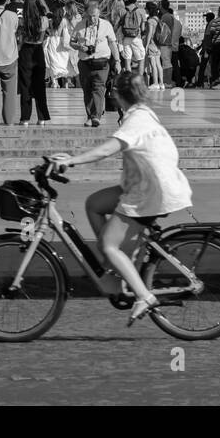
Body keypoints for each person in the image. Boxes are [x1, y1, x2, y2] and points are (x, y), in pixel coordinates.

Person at [50, 72, 193, 324]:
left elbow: (108, 149)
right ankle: (115, 265)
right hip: (149, 185)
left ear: (118, 95)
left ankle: (143, 295)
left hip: (151, 192)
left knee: (108, 243)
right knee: (94, 203)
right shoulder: (142, 114)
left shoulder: (137, 120)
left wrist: (72, 161)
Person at [69, 0, 119, 127]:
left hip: (101, 62)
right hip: (85, 62)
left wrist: (117, 61)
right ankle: (90, 116)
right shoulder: (80, 25)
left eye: (95, 16)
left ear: (99, 14)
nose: (93, 19)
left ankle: (96, 116)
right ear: (86, 14)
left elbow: (113, 43)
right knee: (87, 89)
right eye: (90, 16)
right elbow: (72, 42)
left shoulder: (106, 25)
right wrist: (80, 47)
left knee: (99, 88)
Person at [17, 0, 50, 125]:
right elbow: (41, 38)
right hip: (38, 51)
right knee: (40, 86)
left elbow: (20, 40)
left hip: (25, 52)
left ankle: (25, 118)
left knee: (25, 86)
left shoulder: (22, 21)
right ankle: (41, 117)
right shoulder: (44, 20)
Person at [117, 0, 145, 73]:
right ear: (136, 0)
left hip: (126, 38)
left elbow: (119, 24)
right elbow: (143, 28)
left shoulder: (122, 11)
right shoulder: (141, 11)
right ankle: (140, 81)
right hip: (137, 37)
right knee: (141, 59)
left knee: (127, 60)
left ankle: (128, 80)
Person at [45, 6, 72, 87]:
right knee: (64, 62)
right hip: (60, 41)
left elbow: (47, 31)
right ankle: (66, 84)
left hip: (52, 41)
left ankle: (54, 82)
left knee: (53, 62)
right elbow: (66, 32)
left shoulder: (50, 21)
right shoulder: (64, 21)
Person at [203, 7, 220, 88]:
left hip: (217, 44)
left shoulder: (215, 21)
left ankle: (216, 79)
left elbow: (212, 33)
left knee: (215, 63)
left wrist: (209, 44)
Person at [141, 1, 163, 89]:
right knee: (158, 64)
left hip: (151, 44)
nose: (145, 10)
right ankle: (161, 83)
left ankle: (155, 83)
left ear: (149, 10)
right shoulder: (158, 19)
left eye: (146, 9)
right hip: (158, 45)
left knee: (153, 64)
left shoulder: (150, 21)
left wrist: (146, 45)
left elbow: (149, 33)